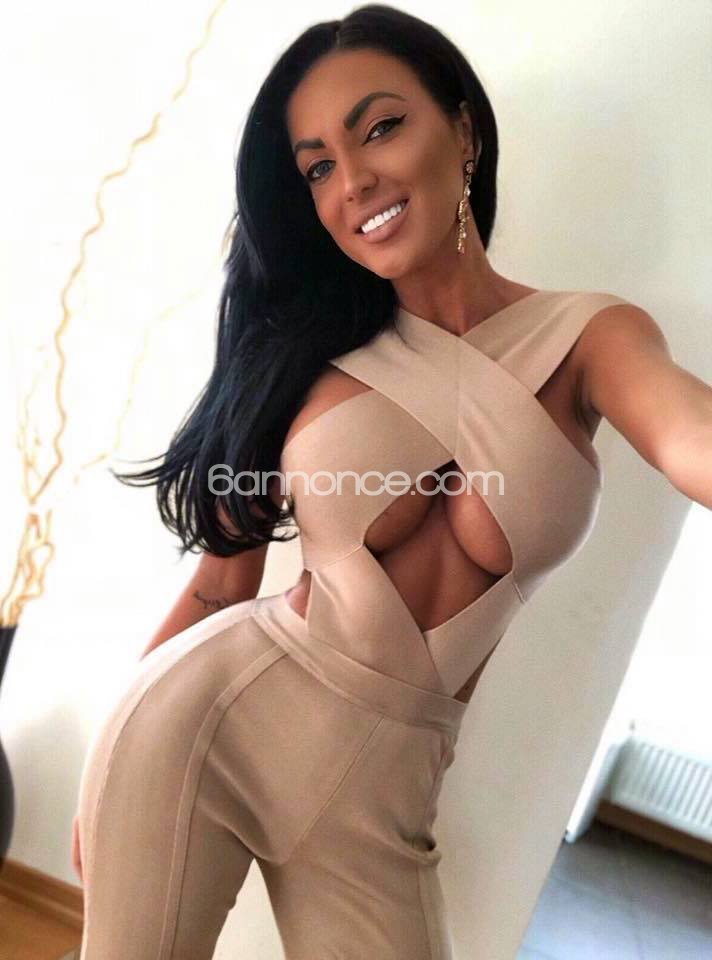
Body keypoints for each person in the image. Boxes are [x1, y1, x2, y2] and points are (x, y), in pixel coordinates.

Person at [72, 5, 712, 958]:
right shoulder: (301, 356)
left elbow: (690, 431)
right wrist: (103, 770)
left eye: (379, 128)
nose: (353, 180)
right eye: (317, 167)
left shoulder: (590, 337)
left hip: (385, 796)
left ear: (463, 131)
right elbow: (220, 584)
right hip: (202, 727)